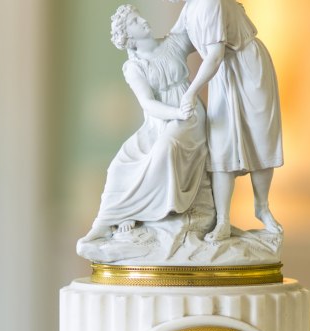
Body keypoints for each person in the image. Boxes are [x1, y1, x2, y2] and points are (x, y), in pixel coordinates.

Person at [79, 5, 211, 248]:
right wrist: (174, 113)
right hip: (161, 120)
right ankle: (106, 221)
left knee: (166, 147)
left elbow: (191, 21)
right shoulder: (134, 68)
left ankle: (148, 213)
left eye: (138, 16)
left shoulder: (171, 45)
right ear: (127, 37)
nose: (142, 21)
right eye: (133, 21)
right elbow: (148, 104)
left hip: (189, 116)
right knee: (121, 163)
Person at [170, 0, 283, 240]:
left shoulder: (210, 3)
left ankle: (262, 207)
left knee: (260, 139)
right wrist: (143, 51)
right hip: (224, 75)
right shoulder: (191, 8)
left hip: (248, 67)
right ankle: (222, 220)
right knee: (222, 145)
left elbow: (214, 55)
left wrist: (191, 93)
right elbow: (175, 43)